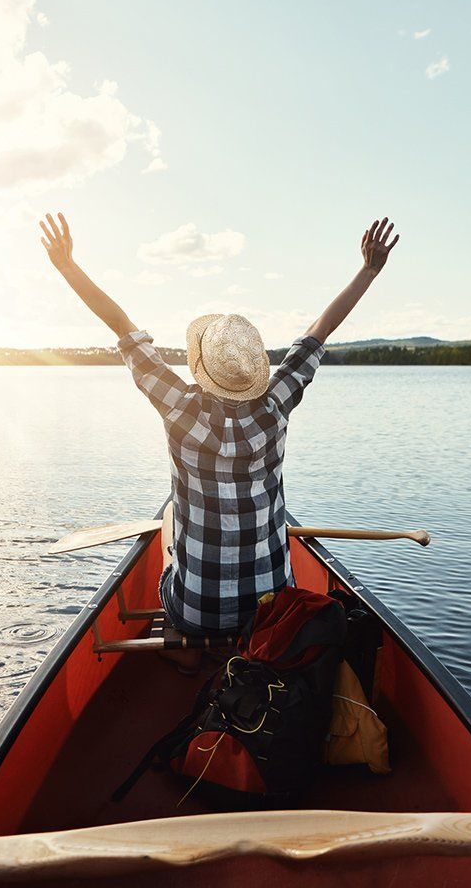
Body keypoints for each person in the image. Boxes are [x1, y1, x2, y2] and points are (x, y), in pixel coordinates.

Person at [40, 211, 399, 636]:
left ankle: (194, 642)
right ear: (253, 372)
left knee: (172, 527)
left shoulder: (178, 404)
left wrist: (67, 265)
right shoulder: (275, 403)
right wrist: (368, 271)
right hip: (273, 612)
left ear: (201, 367)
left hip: (197, 615)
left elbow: (121, 326)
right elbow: (318, 334)